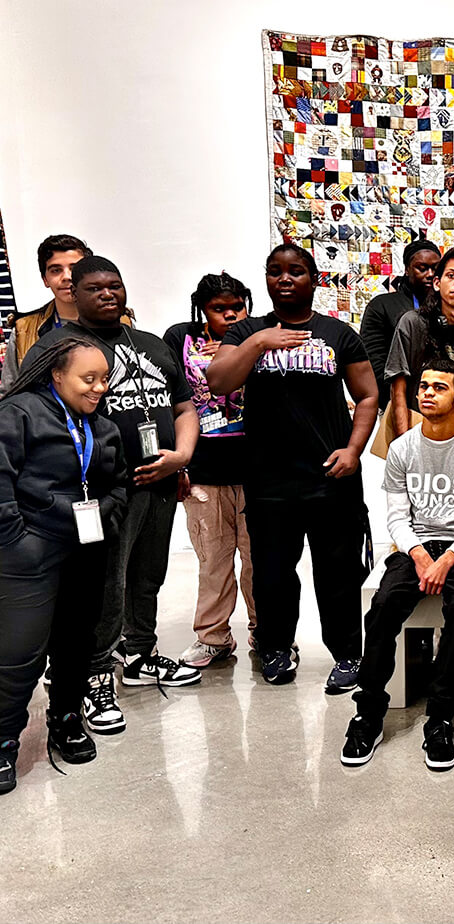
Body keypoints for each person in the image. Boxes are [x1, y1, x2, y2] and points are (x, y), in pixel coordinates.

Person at [20, 255, 201, 734]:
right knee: (103, 587)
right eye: (95, 287)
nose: (107, 294)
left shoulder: (150, 344)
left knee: (148, 576)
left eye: (115, 286)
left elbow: (184, 405)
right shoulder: (59, 346)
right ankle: (95, 674)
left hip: (159, 482)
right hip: (100, 490)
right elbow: (36, 415)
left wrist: (181, 456)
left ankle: (139, 653)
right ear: (72, 294)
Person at [207, 243, 378, 691]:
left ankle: (346, 655)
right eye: (275, 271)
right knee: (272, 573)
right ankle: (276, 648)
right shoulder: (246, 331)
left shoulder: (338, 334)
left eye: (296, 271)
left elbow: (367, 396)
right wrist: (261, 341)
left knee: (337, 573)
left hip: (330, 477)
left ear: (314, 278)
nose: (285, 279)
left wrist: (354, 449)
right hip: (268, 479)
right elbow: (219, 380)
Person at [341, 359, 454, 771]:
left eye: (438, 388)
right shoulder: (403, 447)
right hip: (414, 548)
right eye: (423, 386)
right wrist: (421, 555)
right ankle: (368, 713)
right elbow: (395, 516)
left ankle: (441, 716)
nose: (426, 393)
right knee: (384, 605)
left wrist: (447, 558)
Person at [0, 337, 127, 794]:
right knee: (19, 653)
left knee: (76, 643)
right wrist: (16, 539)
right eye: (88, 379)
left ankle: (67, 718)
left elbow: (118, 483)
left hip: (87, 552)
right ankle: (3, 741)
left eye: (104, 378)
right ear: (56, 375)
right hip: (29, 554)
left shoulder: (104, 428)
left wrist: (109, 509)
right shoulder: (20, 414)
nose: (99, 388)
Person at [163, 272, 256, 668]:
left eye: (238, 307)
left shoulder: (258, 334)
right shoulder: (178, 338)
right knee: (213, 558)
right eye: (220, 309)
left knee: (259, 560)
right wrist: (177, 462)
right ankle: (213, 636)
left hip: (256, 467)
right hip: (202, 468)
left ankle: (268, 633)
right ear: (202, 310)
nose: (231, 315)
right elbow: (169, 402)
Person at [385, 247, 454, 435]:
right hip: (420, 430)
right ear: (437, 283)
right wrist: (404, 442)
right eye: (451, 276)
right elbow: (398, 389)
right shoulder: (412, 323)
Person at [0, 234, 92, 394]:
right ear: (45, 279)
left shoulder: (120, 322)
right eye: (56, 270)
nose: (67, 277)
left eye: (74, 268)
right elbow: (9, 394)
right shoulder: (24, 330)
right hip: (43, 418)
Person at [360, 240, 441, 410]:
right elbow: (374, 363)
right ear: (406, 269)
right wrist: (396, 404)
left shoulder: (448, 307)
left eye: (435, 268)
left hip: (441, 403)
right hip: (398, 403)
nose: (430, 274)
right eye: (422, 268)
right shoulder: (381, 305)